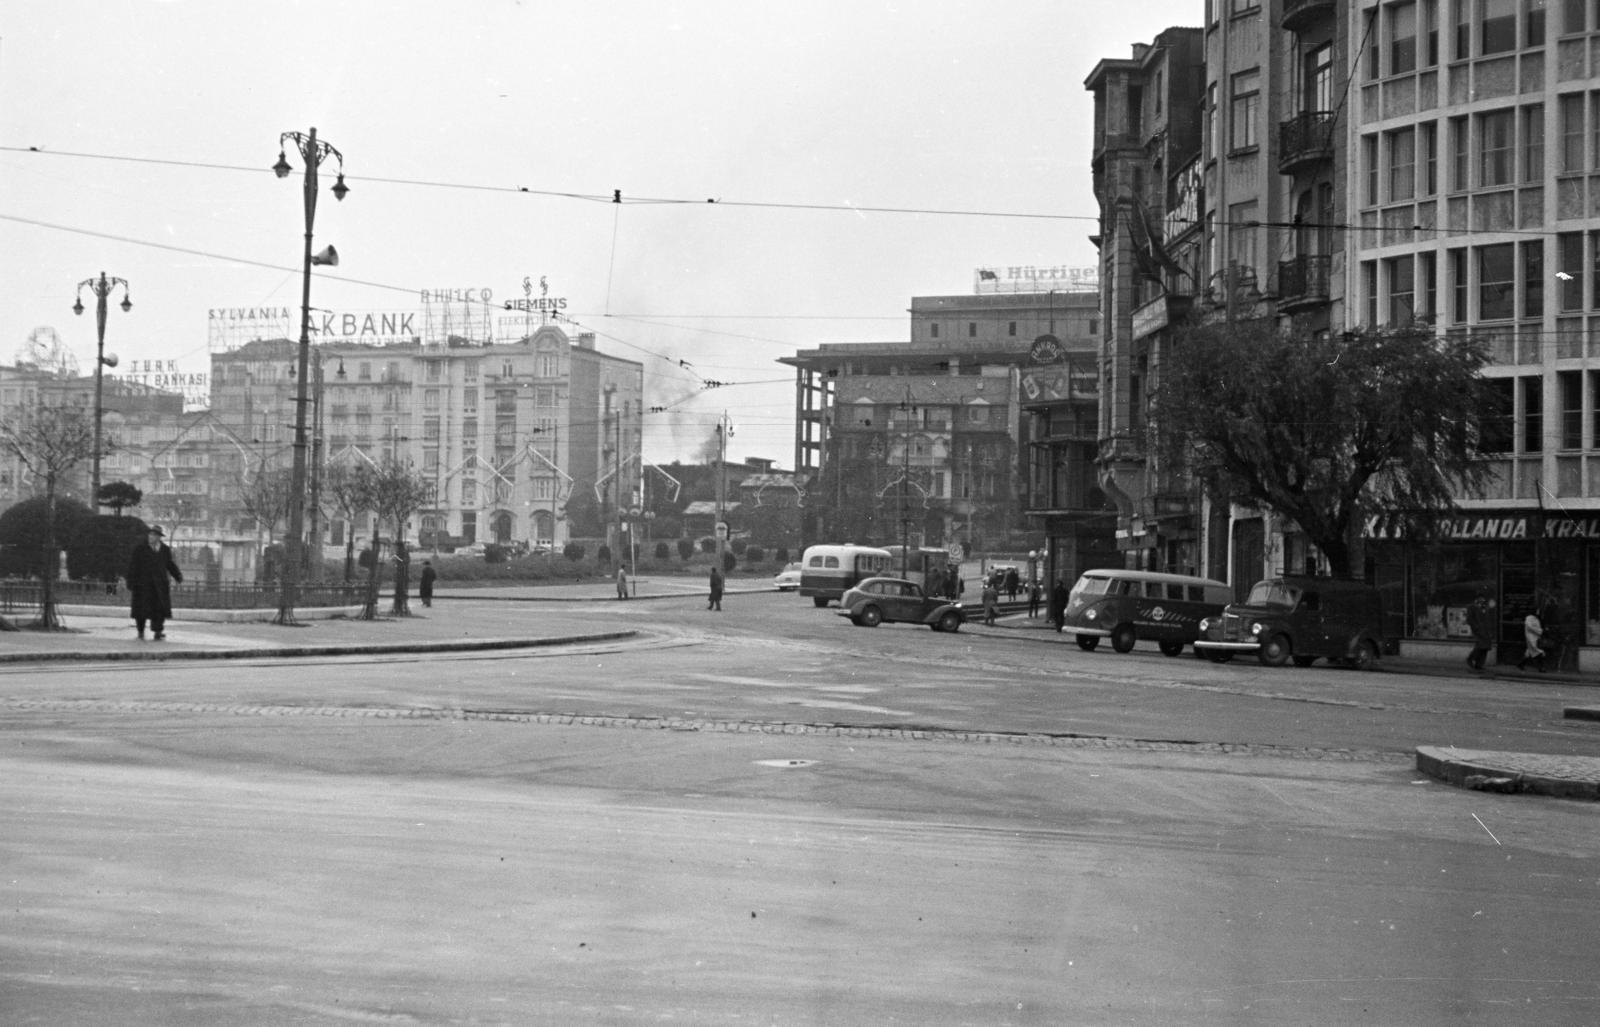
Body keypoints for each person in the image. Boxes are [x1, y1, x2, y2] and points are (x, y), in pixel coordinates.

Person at [125, 524, 182, 641]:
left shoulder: (165, 550)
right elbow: (133, 566)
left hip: (159, 585)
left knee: (159, 609)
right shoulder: (140, 549)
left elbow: (169, 564)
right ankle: (140, 632)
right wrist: (130, 581)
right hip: (143, 585)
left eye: (154, 535)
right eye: (150, 534)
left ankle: (158, 631)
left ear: (159, 537)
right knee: (141, 610)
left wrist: (177, 575)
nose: (151, 537)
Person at [1465, 591, 1493, 670]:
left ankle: (1479, 664)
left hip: (1486, 630)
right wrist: (1476, 627)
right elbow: (1469, 619)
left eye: (1483, 598)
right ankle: (1470, 658)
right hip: (1478, 630)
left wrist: (1489, 629)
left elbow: (1487, 619)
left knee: (1486, 647)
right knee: (1480, 646)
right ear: (1477, 599)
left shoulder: (1485, 607)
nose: (1482, 600)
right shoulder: (1471, 607)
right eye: (1480, 598)